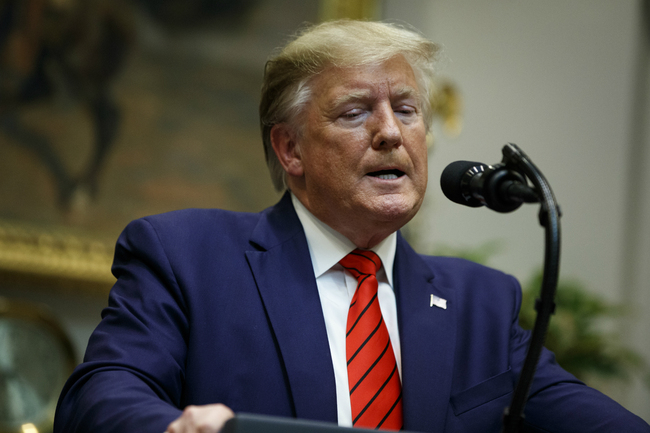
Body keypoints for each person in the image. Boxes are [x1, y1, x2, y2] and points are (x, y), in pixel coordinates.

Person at [53, 20, 650, 433]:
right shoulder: (186, 258)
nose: (391, 132)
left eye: (407, 109)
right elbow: (98, 396)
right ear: (290, 149)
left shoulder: (480, 306)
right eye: (356, 111)